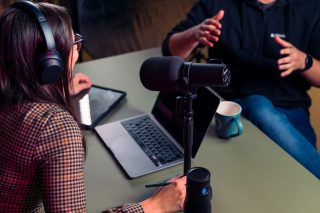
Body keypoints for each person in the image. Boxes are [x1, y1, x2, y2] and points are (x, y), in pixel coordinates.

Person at [0, 1, 186, 212]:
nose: (78, 49)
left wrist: (53, 89)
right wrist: (154, 206)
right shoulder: (54, 128)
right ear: (50, 64)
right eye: (74, 43)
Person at [162, 0, 320, 179]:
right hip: (224, 107)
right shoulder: (217, 4)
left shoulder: (311, 7)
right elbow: (170, 51)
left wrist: (304, 61)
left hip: (289, 110)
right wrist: (194, 34)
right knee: (257, 106)